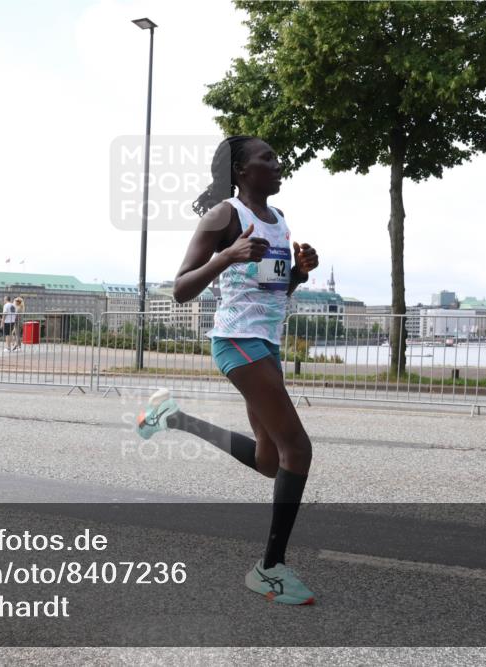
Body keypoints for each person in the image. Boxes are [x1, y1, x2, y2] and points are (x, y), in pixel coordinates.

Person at [135, 136, 320, 605]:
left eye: (278, 158)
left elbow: (274, 290)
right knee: (297, 449)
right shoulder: (224, 216)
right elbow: (179, 289)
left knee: (268, 461)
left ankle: (174, 417)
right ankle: (270, 570)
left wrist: (298, 273)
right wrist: (226, 256)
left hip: (267, 342)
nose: (279, 165)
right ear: (241, 170)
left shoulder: (278, 220)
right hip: (237, 340)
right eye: (268, 159)